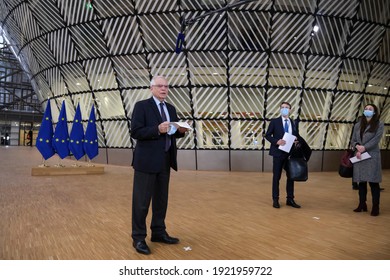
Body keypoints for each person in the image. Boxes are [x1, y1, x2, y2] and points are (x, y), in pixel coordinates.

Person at [130, 75, 189, 255]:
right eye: (160, 86)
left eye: (166, 86)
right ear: (151, 88)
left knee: (161, 201)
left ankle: (158, 232)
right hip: (146, 162)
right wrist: (157, 129)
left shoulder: (171, 108)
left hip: (165, 161)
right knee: (141, 203)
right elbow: (136, 131)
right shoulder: (142, 106)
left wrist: (181, 131)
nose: (164, 89)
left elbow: (172, 133)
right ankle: (138, 237)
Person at [265, 101, 306, 209]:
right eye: (282, 107)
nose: (284, 109)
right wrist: (276, 141)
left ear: (290, 110)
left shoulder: (293, 122)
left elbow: (296, 135)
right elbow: (267, 135)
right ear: (280, 109)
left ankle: (290, 199)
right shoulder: (274, 121)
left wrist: (297, 140)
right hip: (278, 153)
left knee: (291, 177)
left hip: (290, 154)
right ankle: (275, 199)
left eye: (286, 107)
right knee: (276, 177)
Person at [351, 104, 384, 216]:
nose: (367, 110)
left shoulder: (379, 124)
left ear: (374, 112)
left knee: (373, 182)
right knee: (361, 182)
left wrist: (364, 147)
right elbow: (353, 140)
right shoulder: (358, 125)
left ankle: (375, 206)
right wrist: (357, 146)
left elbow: (376, 139)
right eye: (366, 109)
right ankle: (362, 204)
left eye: (370, 109)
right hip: (359, 156)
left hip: (371, 156)